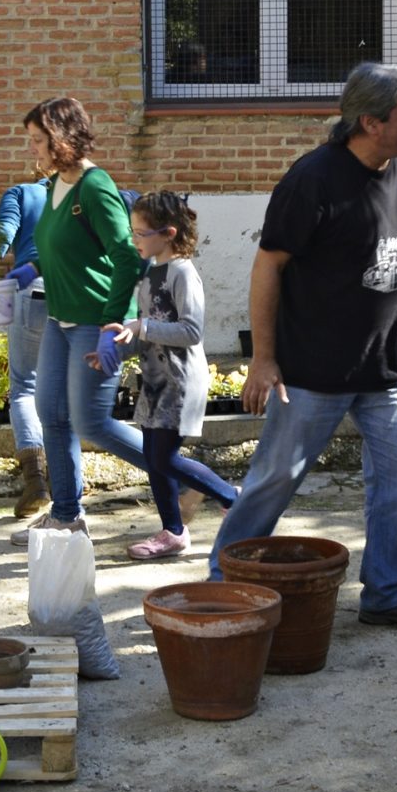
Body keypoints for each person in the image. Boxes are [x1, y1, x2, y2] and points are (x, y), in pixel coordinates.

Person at [206, 63, 397, 632]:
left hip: (384, 367)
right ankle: (221, 588)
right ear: (369, 121)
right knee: (274, 480)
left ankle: (388, 594)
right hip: (314, 371)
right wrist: (264, 359)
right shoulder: (313, 181)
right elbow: (268, 265)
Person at [13, 96, 150, 542]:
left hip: (97, 321)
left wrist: (115, 324)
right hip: (60, 318)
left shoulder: (95, 186)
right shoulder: (56, 184)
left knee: (92, 423)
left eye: (38, 141)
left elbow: (127, 256)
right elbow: (63, 246)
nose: (32, 150)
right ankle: (67, 515)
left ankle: (187, 477)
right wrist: (33, 269)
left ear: (61, 140)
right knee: (50, 413)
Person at [99, 192, 237, 560]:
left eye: (141, 233)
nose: (134, 240)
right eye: (133, 232)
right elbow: (146, 330)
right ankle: (173, 532)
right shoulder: (150, 273)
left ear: (168, 233)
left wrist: (141, 326)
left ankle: (233, 498)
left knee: (164, 458)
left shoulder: (182, 273)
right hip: (156, 382)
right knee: (153, 457)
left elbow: (191, 331)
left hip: (180, 383)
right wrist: (116, 348)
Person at [0, 171, 51, 518]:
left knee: (24, 385)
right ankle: (64, 480)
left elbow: (3, 234)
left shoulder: (20, 193)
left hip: (31, 291)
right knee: (60, 388)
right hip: (71, 296)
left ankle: (35, 480)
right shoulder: (79, 196)